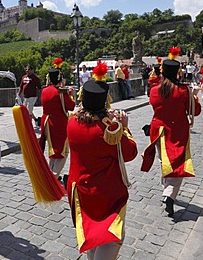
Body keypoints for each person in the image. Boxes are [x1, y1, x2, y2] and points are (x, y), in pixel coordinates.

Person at [66, 61, 138, 260]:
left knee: (90, 234)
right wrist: (123, 126)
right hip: (105, 193)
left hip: (79, 189)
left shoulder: (72, 121)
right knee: (113, 235)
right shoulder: (109, 131)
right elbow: (130, 152)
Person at [141, 47, 201, 217]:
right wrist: (194, 96)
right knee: (178, 165)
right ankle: (169, 195)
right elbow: (195, 111)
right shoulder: (183, 91)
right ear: (178, 72)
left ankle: (165, 190)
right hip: (177, 131)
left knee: (164, 161)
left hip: (158, 130)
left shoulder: (154, 90)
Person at [39, 59, 76, 177]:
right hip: (58, 124)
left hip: (46, 123)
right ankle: (53, 177)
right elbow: (71, 107)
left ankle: (50, 174)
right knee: (62, 152)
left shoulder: (44, 90)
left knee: (53, 152)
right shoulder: (61, 92)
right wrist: (71, 95)